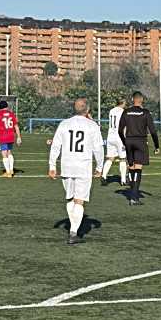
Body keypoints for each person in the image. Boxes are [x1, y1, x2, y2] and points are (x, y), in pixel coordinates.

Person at [48, 98, 104, 245]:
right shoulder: (93, 126)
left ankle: (72, 229)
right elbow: (98, 148)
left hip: (67, 166)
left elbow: (55, 146)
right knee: (79, 200)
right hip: (83, 168)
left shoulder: (64, 124)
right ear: (88, 110)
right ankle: (73, 233)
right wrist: (99, 167)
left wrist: (52, 166)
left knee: (70, 199)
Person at [118, 91, 160, 206]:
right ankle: (134, 197)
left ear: (132, 99)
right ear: (142, 100)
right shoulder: (145, 112)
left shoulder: (126, 112)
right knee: (138, 168)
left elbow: (120, 130)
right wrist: (157, 146)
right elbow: (153, 131)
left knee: (131, 167)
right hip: (141, 141)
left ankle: (132, 194)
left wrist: (124, 142)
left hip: (129, 141)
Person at [101, 99, 127, 186]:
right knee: (122, 158)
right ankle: (123, 180)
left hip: (110, 136)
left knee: (110, 158)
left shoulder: (111, 111)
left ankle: (104, 176)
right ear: (122, 103)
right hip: (119, 137)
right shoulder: (123, 112)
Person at [0, 100, 22, 178]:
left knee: (4, 154)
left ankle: (8, 172)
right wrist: (19, 137)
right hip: (11, 136)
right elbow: (16, 126)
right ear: (7, 106)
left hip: (3, 136)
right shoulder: (11, 114)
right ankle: (11, 170)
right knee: (9, 153)